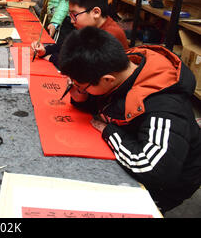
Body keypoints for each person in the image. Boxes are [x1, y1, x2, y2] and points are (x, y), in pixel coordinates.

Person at [58, 26, 201, 213]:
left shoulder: (164, 105)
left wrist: (110, 132)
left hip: (164, 185)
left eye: (81, 85)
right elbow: (105, 100)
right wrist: (80, 95)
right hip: (138, 143)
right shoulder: (121, 67)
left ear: (107, 79)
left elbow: (154, 170)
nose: (77, 87)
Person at [32, 0, 129, 67]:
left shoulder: (111, 35)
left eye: (74, 15)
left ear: (95, 12)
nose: (71, 20)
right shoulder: (91, 26)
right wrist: (45, 50)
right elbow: (68, 45)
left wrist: (51, 57)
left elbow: (83, 65)